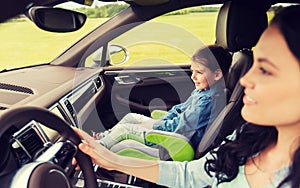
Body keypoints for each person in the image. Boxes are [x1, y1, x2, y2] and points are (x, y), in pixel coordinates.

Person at [73, 5, 300, 188]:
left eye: (265, 70)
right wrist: (109, 158)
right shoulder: (248, 137)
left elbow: (184, 130)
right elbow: (190, 176)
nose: (244, 80)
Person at [95, 44, 232, 150]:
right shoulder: (203, 92)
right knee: (130, 118)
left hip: (174, 142)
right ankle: (101, 137)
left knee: (125, 130)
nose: (193, 77)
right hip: (172, 131)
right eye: (192, 71)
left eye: (199, 72)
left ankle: (97, 148)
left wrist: (154, 128)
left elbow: (182, 128)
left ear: (217, 75)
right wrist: (161, 120)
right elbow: (180, 109)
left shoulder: (207, 101)